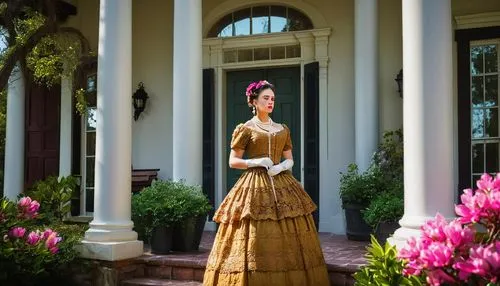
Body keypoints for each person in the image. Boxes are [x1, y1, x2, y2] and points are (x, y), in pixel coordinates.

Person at [203, 80, 329, 286]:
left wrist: (282, 166)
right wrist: (256, 161)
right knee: (254, 229)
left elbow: (290, 158)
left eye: (272, 99)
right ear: (253, 101)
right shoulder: (246, 129)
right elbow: (232, 161)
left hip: (282, 181)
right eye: (265, 98)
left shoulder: (282, 129)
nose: (270, 102)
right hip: (255, 183)